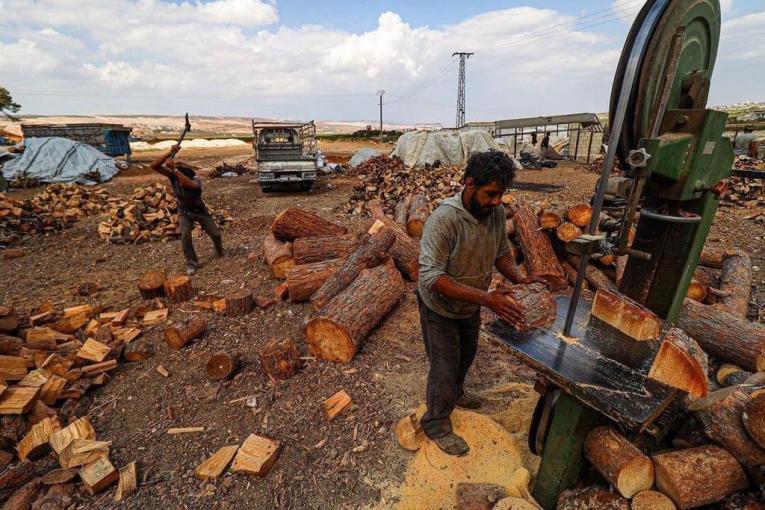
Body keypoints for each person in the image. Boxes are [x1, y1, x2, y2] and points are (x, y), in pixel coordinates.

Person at [417, 150, 546, 456]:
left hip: (471, 303)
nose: (497, 201)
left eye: (501, 194)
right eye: (490, 194)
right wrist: (487, 299)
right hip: (439, 306)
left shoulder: (495, 214)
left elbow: (501, 253)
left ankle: (456, 394)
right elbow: (431, 276)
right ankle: (435, 421)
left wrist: (519, 280)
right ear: (470, 184)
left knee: (466, 355)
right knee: (444, 366)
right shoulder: (445, 219)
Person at [150, 145, 223, 275]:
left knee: (215, 234)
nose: (177, 179)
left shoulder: (195, 181)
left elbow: (186, 183)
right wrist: (169, 152)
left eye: (179, 175)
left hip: (200, 211)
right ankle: (191, 263)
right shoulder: (173, 177)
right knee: (185, 236)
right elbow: (154, 166)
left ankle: (219, 251)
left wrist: (174, 170)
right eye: (176, 176)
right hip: (184, 212)